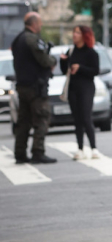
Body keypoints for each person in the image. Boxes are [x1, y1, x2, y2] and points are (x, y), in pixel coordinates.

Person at [11, 11, 57, 164]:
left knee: (24, 122)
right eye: (40, 23)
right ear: (34, 24)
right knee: (42, 118)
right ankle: (38, 151)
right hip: (35, 87)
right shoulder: (31, 39)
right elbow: (44, 60)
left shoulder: (18, 39)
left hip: (22, 86)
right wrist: (53, 61)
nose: (41, 26)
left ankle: (20, 153)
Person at [60, 25, 101, 160]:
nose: (74, 35)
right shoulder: (71, 51)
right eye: (74, 32)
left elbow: (95, 71)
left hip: (86, 87)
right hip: (73, 88)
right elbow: (63, 71)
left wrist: (80, 68)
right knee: (77, 119)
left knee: (85, 117)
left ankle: (94, 148)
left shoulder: (91, 52)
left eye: (77, 32)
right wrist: (63, 60)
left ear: (84, 35)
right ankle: (80, 149)